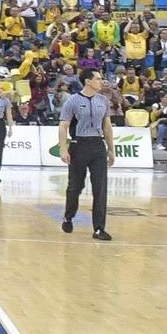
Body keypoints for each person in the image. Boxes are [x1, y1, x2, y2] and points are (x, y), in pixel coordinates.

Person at [58, 67, 114, 240]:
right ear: (88, 81)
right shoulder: (72, 101)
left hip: (97, 145)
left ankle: (99, 228)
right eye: (98, 78)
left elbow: (107, 126)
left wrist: (111, 149)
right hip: (79, 144)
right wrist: (63, 149)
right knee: (75, 186)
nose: (101, 81)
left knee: (100, 187)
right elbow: (63, 125)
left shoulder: (103, 100)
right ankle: (68, 216)